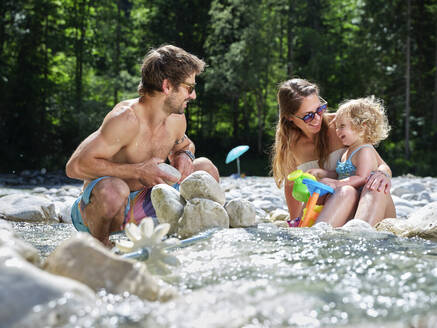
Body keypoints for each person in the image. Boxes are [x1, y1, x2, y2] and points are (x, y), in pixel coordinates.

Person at [66, 45, 219, 247]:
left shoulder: (176, 119)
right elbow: (75, 166)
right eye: (189, 88)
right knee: (114, 190)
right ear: (167, 86)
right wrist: (138, 171)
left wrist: (185, 156)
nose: (193, 95)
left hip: (151, 202)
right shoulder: (125, 119)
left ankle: (195, 235)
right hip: (105, 210)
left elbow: (185, 145)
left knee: (205, 168)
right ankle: (101, 246)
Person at [271, 78, 395, 228]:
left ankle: (362, 235)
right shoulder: (291, 147)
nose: (317, 118)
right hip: (334, 210)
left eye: (319, 109)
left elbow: (380, 164)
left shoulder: (342, 126)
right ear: (290, 117)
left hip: (368, 203)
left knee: (371, 187)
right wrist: (295, 221)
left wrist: (383, 175)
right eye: (308, 116)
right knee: (346, 191)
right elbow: (291, 186)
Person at [306, 97, 392, 226]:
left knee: (344, 190)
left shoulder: (365, 150)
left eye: (342, 126)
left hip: (364, 199)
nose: (337, 131)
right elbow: (341, 174)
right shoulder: (347, 152)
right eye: (336, 127)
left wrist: (336, 184)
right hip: (350, 198)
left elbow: (361, 178)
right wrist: (323, 173)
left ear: (362, 126)